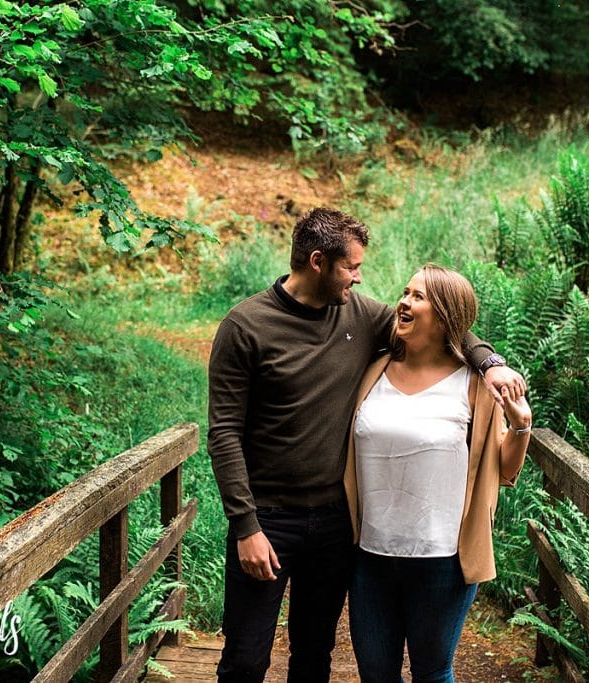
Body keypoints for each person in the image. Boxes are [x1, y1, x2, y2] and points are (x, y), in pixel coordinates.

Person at [207, 209, 526, 682]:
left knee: (314, 653)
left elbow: (449, 323)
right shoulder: (246, 326)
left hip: (336, 525)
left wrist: (490, 362)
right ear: (318, 262)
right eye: (351, 267)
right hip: (269, 519)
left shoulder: (360, 315)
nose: (359, 277)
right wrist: (245, 525)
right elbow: (224, 433)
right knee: (245, 658)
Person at [343, 264, 533, 683]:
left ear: (445, 315)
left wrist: (521, 425)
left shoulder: (476, 386)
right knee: (375, 672)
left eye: (419, 297)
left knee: (431, 672)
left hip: (442, 558)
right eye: (406, 291)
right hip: (370, 554)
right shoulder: (371, 370)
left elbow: (503, 469)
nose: (404, 302)